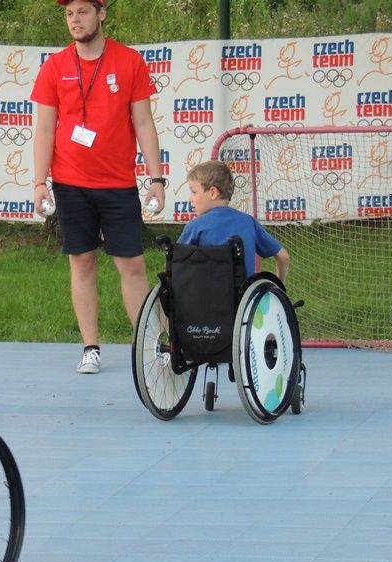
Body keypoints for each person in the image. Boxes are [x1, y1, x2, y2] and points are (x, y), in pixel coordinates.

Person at [31, 0, 166, 374]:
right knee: (82, 262)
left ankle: (149, 344)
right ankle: (91, 347)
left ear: (101, 14)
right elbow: (44, 129)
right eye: (69, 14)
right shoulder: (55, 66)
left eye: (82, 12)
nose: (75, 20)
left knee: (132, 264)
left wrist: (156, 179)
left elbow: (143, 122)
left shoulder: (129, 61)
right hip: (71, 183)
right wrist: (40, 182)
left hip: (118, 182)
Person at [178, 160, 291, 282]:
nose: (190, 199)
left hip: (206, 297)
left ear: (213, 193)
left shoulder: (195, 226)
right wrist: (279, 287)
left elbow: (177, 263)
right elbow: (283, 257)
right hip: (245, 298)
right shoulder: (249, 222)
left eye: (194, 192)